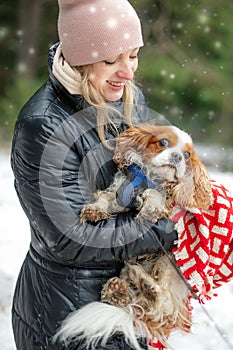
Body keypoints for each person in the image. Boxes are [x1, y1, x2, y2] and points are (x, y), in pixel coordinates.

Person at [11, 1, 177, 349]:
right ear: (80, 58)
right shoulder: (43, 125)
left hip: (125, 299)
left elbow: (144, 179)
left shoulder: (128, 99)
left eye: (133, 55)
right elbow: (70, 237)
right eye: (111, 59)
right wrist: (162, 230)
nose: (128, 72)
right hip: (67, 308)